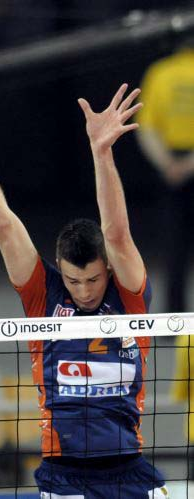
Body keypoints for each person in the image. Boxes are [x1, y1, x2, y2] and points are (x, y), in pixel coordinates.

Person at [0, 69, 167, 497]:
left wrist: (101, 151)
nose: (84, 291)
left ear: (108, 269)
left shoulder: (128, 296)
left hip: (127, 469)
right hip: (64, 474)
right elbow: (1, 220)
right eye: (74, 280)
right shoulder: (43, 294)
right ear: (60, 269)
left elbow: (117, 234)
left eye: (93, 279)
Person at [136, 36, 194, 314]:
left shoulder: (160, 73)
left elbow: (146, 128)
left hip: (171, 169)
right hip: (187, 163)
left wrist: (168, 165)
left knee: (175, 249)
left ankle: (175, 319)